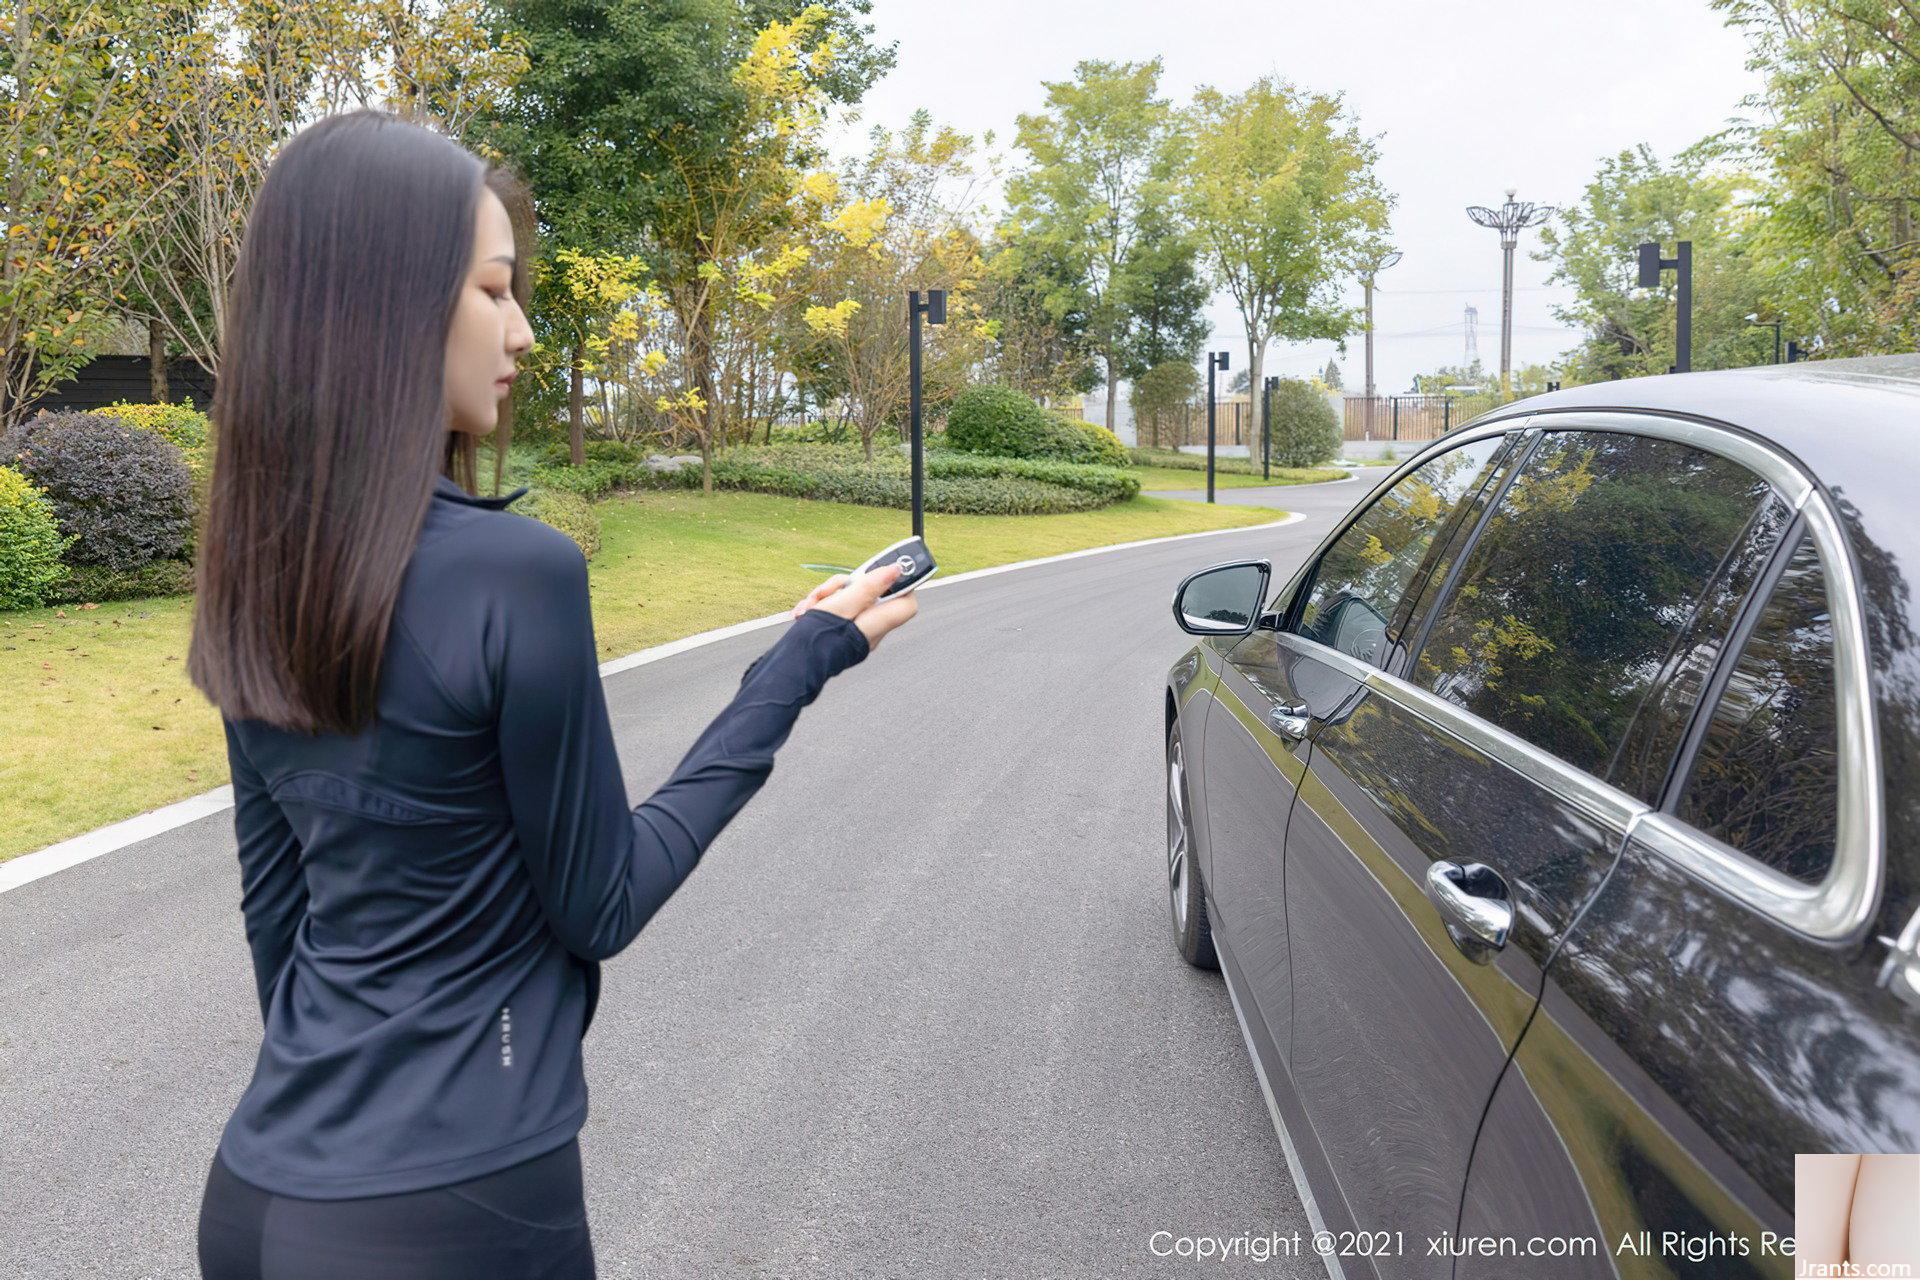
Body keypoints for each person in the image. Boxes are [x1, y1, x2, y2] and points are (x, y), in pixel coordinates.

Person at [186, 107, 917, 1279]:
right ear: (383, 312)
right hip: (458, 1209)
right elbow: (602, 901)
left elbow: (280, 924)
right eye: (492, 291)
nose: (519, 331)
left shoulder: (256, 568)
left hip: (259, 1195)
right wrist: (798, 664)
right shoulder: (517, 575)